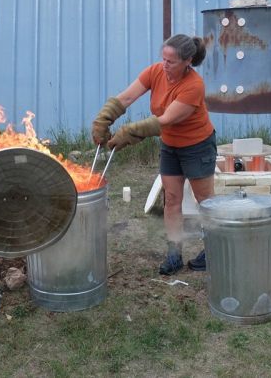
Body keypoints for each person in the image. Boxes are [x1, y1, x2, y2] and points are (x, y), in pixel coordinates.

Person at [91, 34, 215, 275]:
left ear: (187, 61)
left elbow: (165, 120)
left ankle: (216, 250)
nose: (164, 65)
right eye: (163, 58)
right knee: (171, 200)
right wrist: (104, 117)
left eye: (171, 61)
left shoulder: (194, 86)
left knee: (206, 202)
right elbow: (126, 97)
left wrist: (128, 132)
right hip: (170, 147)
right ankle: (174, 254)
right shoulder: (155, 72)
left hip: (197, 147)